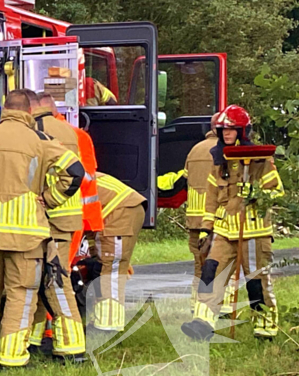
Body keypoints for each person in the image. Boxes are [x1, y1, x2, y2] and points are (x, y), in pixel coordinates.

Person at [0, 88, 85, 368]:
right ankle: (12, 356)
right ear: (28, 111)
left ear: (4, 107)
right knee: (20, 294)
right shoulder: (41, 141)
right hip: (26, 236)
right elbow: (74, 172)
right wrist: (48, 199)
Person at [182, 105, 284, 341]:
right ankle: (202, 323)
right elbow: (210, 199)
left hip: (253, 232)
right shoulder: (219, 160)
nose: (226, 134)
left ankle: (265, 328)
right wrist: (207, 229)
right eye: (222, 130)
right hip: (224, 230)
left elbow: (277, 192)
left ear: (242, 131)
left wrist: (256, 193)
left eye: (231, 130)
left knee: (256, 282)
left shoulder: (261, 160)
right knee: (210, 273)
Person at [26, 93, 86, 362]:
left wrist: (46, 199)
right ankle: (34, 339)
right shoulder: (69, 131)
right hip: (67, 218)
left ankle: (71, 348)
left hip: (49, 218)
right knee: (42, 282)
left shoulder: (37, 132)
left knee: (53, 283)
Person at [157, 116, 219, 307]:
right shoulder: (229, 152)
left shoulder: (195, 150)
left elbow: (180, 180)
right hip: (219, 217)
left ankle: (196, 304)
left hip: (195, 219)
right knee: (220, 263)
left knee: (200, 264)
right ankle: (218, 305)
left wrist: (154, 183)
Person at [90, 173, 146, 331]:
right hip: (120, 208)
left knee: (109, 269)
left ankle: (108, 326)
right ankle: (99, 318)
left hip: (119, 210)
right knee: (102, 267)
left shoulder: (57, 181)